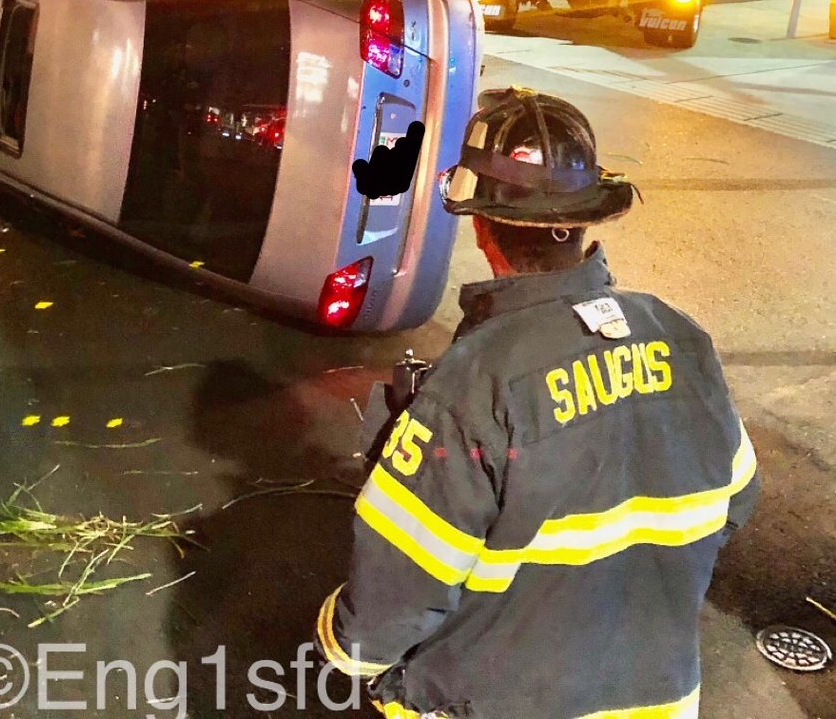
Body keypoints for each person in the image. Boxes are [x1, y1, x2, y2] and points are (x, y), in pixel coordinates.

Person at [317, 87, 759, 719]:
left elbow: (390, 606)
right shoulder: (681, 339)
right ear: (584, 219)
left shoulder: (472, 387)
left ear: (481, 225)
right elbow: (735, 500)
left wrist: (340, 644)